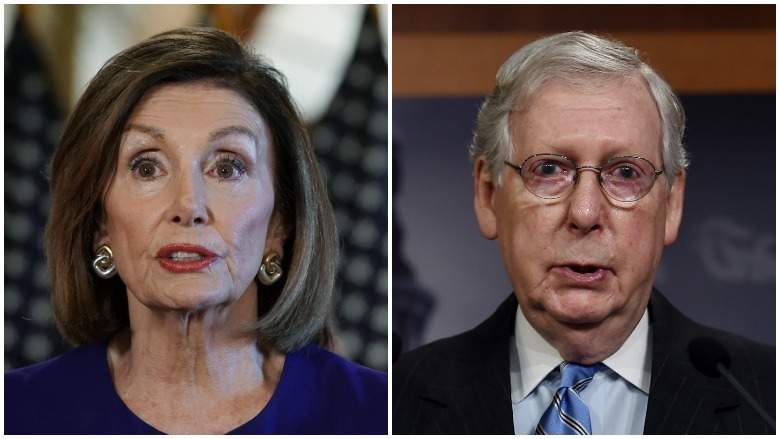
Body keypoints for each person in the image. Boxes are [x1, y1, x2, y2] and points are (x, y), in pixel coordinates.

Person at [5, 27, 387, 434]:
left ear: (279, 225)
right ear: (100, 224)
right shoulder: (15, 412)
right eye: (147, 167)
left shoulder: (379, 414)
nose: (188, 206)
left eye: (227, 168)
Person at [393, 31, 774, 435]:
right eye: (549, 170)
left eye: (626, 173)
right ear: (489, 195)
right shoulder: (397, 400)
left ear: (672, 203)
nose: (586, 212)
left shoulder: (766, 397)